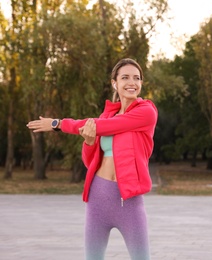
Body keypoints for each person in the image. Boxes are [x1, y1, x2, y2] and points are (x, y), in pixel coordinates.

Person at [27, 58, 158, 260]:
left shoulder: (146, 112)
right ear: (114, 83)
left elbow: (96, 126)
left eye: (136, 78)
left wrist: (57, 123)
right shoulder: (106, 117)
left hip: (128, 202)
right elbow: (90, 161)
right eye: (125, 77)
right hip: (98, 197)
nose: (132, 82)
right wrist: (88, 142)